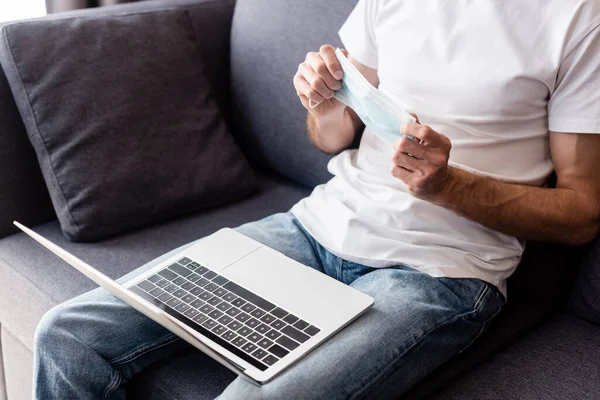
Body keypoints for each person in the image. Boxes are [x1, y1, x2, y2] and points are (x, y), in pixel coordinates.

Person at [34, 0, 600, 398]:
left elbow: (581, 213)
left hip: (439, 272)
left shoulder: (578, 16)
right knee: (68, 336)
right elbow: (333, 135)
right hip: (313, 227)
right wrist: (324, 106)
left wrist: (449, 185)